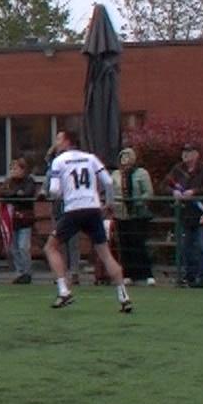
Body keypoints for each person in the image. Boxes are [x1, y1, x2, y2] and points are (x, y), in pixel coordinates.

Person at [43, 129, 134, 313]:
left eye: (59, 139)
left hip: (74, 209)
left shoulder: (59, 161)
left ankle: (63, 291)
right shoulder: (90, 158)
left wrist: (61, 194)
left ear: (68, 141)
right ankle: (123, 296)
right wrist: (108, 203)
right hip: (93, 209)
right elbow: (108, 182)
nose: (57, 142)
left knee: (50, 247)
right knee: (105, 254)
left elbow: (53, 191)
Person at [166, 145, 203, 287]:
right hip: (185, 215)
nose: (185, 155)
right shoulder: (178, 170)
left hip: (202, 213)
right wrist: (173, 193)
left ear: (196, 154)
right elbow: (165, 185)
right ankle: (189, 277)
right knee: (186, 247)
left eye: (189, 152)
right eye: (184, 152)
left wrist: (194, 192)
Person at [111, 148, 154, 285]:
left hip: (137, 214)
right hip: (121, 214)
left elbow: (149, 192)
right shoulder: (116, 174)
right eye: (122, 157)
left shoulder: (141, 173)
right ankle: (128, 274)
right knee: (124, 245)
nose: (125, 160)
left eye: (128, 157)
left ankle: (147, 274)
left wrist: (137, 201)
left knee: (139, 244)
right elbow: (111, 191)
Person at [0, 154, 41, 283]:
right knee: (13, 247)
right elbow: (2, 193)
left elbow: (27, 193)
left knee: (23, 246)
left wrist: (15, 195)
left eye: (16, 168)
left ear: (23, 170)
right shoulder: (8, 182)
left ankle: (27, 272)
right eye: (11, 169)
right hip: (12, 220)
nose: (13, 171)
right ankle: (19, 272)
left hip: (24, 219)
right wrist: (16, 193)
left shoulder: (29, 181)